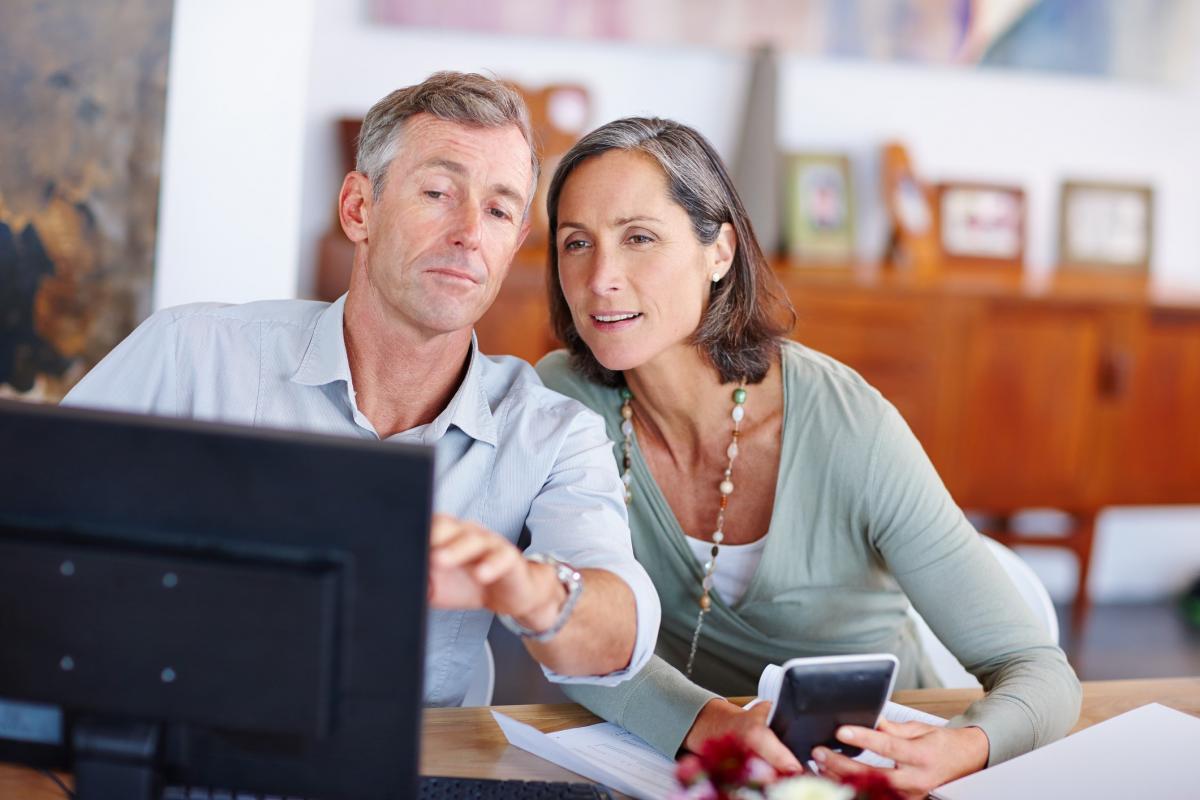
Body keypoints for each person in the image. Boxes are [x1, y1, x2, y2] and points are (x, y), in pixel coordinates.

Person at [62, 72, 660, 707]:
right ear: (358, 209)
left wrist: (525, 587)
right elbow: (31, 538)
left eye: (498, 210)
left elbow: (615, 645)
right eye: (437, 192)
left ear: (515, 244)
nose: (468, 233)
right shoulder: (191, 354)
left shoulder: (551, 434)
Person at [535, 117, 1081, 797]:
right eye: (575, 243)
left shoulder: (849, 428)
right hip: (699, 768)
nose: (600, 278)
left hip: (874, 771)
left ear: (720, 251)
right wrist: (702, 722)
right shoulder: (561, 402)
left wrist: (962, 748)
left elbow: (1038, 669)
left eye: (639, 238)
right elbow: (567, 635)